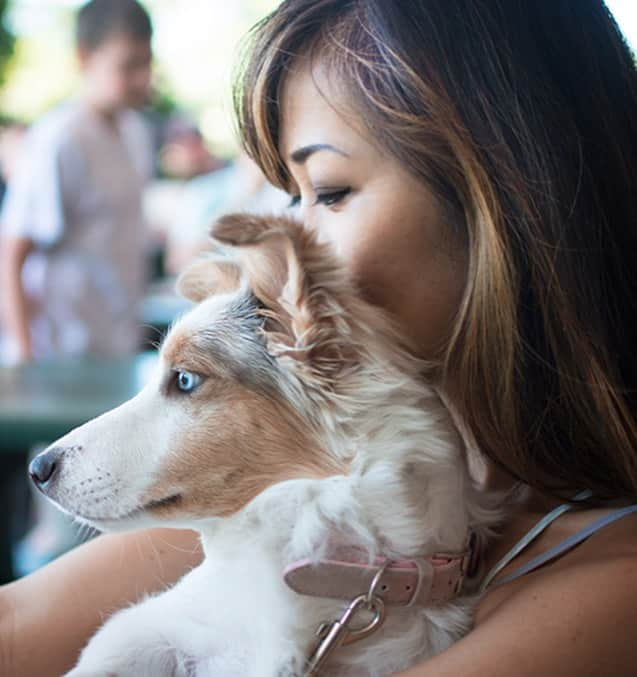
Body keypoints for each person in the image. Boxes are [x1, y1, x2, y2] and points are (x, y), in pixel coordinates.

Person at [1, 1, 637, 675]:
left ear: (503, 193)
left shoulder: (608, 582)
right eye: (290, 196)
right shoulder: (302, 486)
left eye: (329, 192)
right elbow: (17, 624)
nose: (288, 249)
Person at [0, 0, 154, 365]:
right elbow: (11, 253)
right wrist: (25, 357)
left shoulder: (136, 133)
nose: (141, 78)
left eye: (146, 63)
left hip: (117, 344)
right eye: (128, 65)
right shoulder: (59, 139)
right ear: (85, 58)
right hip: (59, 352)